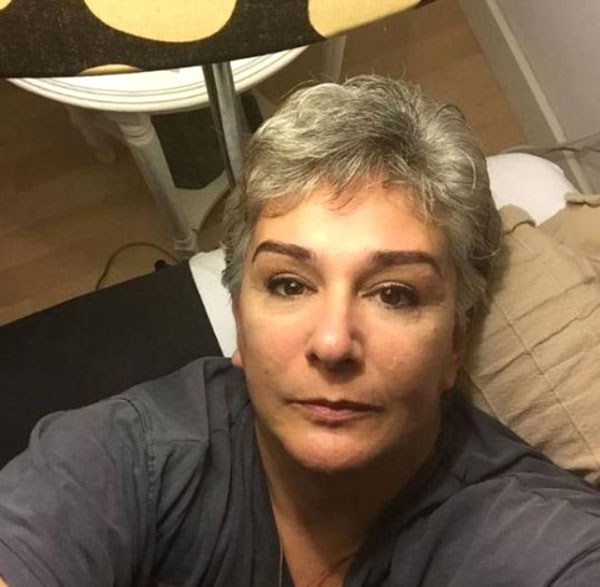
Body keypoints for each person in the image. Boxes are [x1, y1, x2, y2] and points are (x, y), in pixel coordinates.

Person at [1, 75, 599, 587]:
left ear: (453, 347)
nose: (333, 343)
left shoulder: (534, 538)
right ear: (239, 319)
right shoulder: (132, 458)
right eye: (289, 284)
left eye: (394, 293)